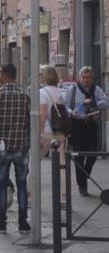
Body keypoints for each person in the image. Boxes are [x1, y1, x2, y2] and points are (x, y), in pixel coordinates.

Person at [0, 64, 31, 234]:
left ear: (5, 75)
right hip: (21, 146)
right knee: (22, 184)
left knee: (2, 185)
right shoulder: (25, 96)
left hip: (3, 146)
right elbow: (29, 120)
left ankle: (1, 222)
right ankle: (23, 223)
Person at [65, 66, 108, 196]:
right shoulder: (72, 90)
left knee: (92, 155)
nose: (86, 80)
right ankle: (82, 186)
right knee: (79, 157)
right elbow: (65, 105)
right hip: (77, 126)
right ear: (80, 78)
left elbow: (106, 102)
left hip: (92, 126)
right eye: (84, 77)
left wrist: (94, 102)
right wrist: (70, 112)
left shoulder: (97, 90)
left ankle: (85, 176)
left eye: (88, 77)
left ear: (92, 78)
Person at [39, 65, 67, 203]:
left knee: (34, 163)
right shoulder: (61, 92)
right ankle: (63, 197)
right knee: (62, 165)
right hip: (60, 132)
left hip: (47, 133)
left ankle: (31, 194)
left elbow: (43, 115)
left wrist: (38, 134)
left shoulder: (42, 93)